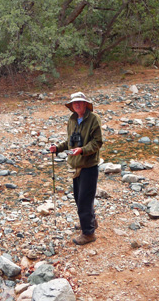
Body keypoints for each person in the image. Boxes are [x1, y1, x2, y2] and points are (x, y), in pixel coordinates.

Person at [49, 91, 103, 245]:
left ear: (86, 104)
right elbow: (70, 143)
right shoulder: (72, 120)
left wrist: (82, 150)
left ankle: (88, 233)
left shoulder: (94, 119)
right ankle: (91, 222)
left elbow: (97, 142)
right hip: (75, 165)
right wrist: (57, 148)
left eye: (80, 102)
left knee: (84, 201)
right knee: (79, 199)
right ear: (72, 106)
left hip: (89, 166)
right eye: (74, 103)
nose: (77, 104)